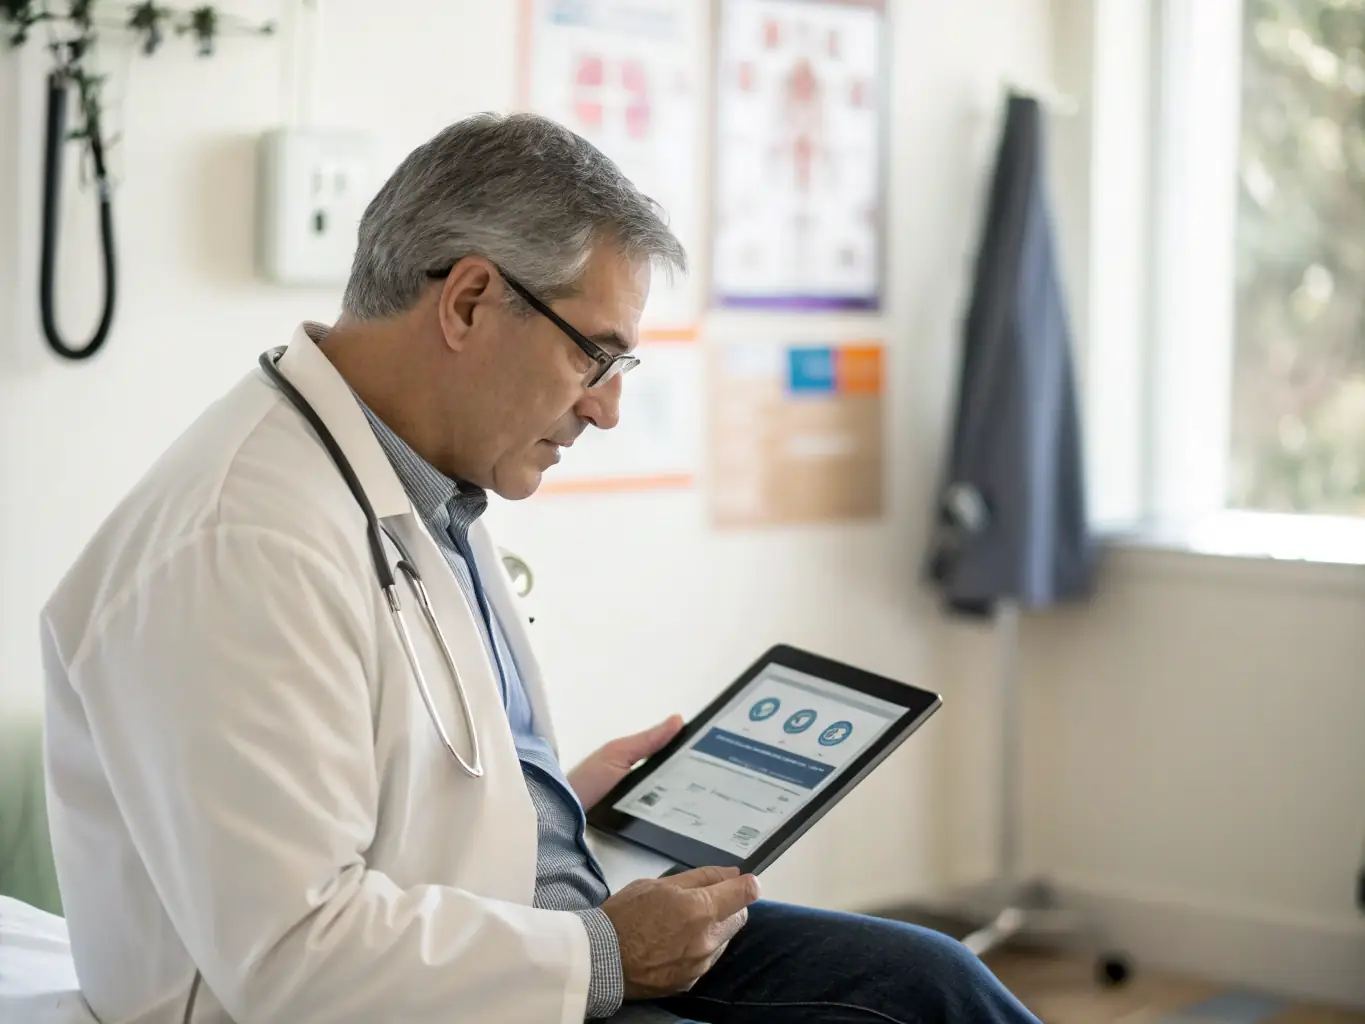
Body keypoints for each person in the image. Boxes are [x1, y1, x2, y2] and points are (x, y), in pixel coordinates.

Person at [39, 112, 1040, 1024]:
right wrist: (606, 951)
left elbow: (388, 776)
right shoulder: (239, 543)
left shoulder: (417, 481)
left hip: (532, 937)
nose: (605, 407)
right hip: (430, 997)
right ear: (470, 301)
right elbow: (292, 960)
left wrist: (545, 798)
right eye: (593, 357)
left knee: (932, 980)